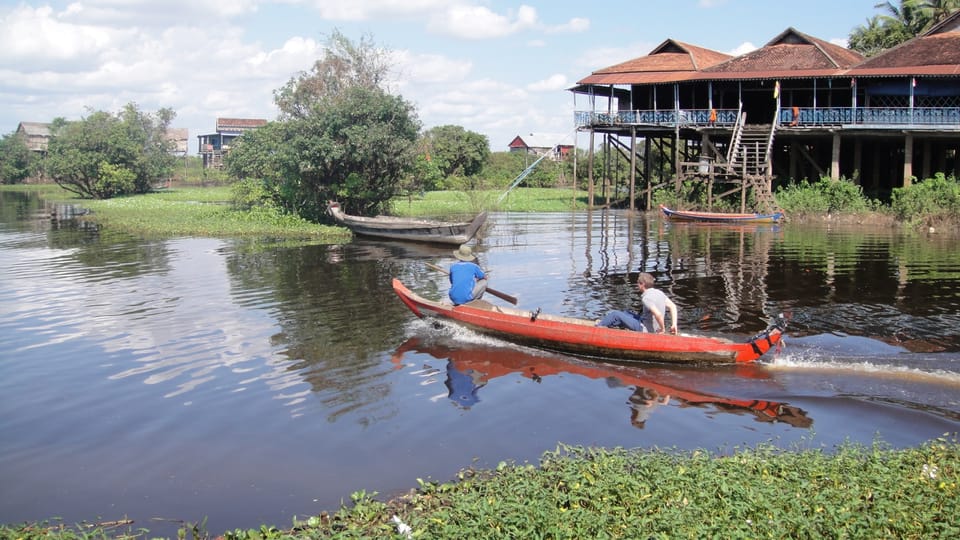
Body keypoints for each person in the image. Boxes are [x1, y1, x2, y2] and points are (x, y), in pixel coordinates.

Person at [597, 272, 678, 334]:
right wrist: (674, 324)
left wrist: (662, 329)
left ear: (642, 284)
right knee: (626, 313)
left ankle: (597, 327)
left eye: (638, 283)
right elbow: (672, 306)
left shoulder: (647, 298)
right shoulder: (659, 293)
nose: (637, 285)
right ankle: (610, 325)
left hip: (645, 329)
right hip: (646, 322)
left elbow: (658, 314)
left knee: (616, 314)